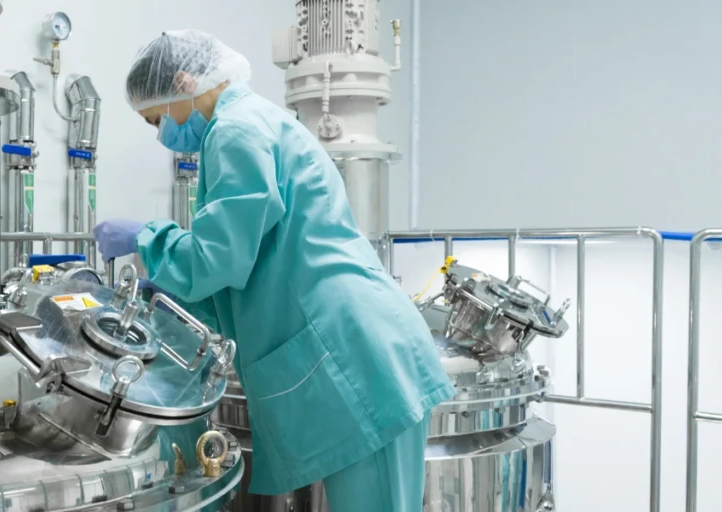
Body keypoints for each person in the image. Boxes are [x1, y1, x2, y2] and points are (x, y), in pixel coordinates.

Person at [93, 30, 454, 511]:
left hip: (356, 354)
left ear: (184, 81)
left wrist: (147, 239)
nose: (162, 134)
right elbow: (248, 270)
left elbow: (218, 256)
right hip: (355, 346)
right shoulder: (254, 122)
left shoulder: (235, 130)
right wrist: (170, 292)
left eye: (158, 118)